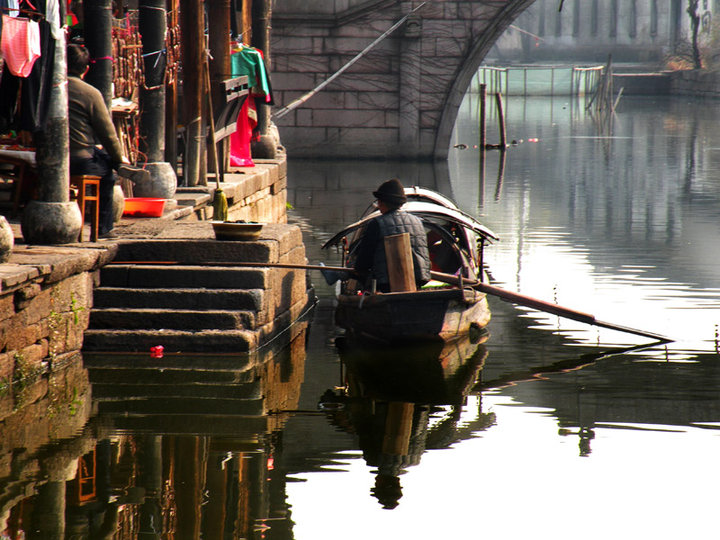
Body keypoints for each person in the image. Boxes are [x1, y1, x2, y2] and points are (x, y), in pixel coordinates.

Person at [67, 43, 148, 238]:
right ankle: (104, 229)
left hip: (50, 153)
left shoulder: (45, 88)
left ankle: (117, 163)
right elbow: (108, 133)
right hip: (79, 158)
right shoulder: (90, 93)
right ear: (85, 69)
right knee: (107, 175)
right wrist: (119, 155)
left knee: (101, 155)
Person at [350, 178, 431, 292]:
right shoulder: (418, 222)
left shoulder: (376, 224)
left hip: (385, 285)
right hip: (418, 281)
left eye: (378, 202)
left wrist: (358, 270)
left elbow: (363, 263)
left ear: (382, 203)